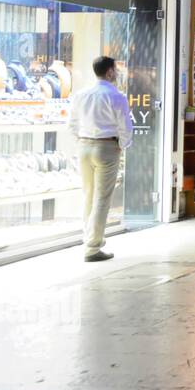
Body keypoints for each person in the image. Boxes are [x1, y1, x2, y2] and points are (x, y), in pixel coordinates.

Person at [68, 56, 134, 262]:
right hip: (106, 147)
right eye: (115, 70)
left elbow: (71, 124)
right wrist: (122, 145)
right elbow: (125, 126)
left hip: (84, 146)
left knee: (88, 194)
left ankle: (87, 237)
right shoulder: (116, 97)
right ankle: (93, 246)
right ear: (110, 72)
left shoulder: (81, 95)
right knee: (102, 198)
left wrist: (81, 139)